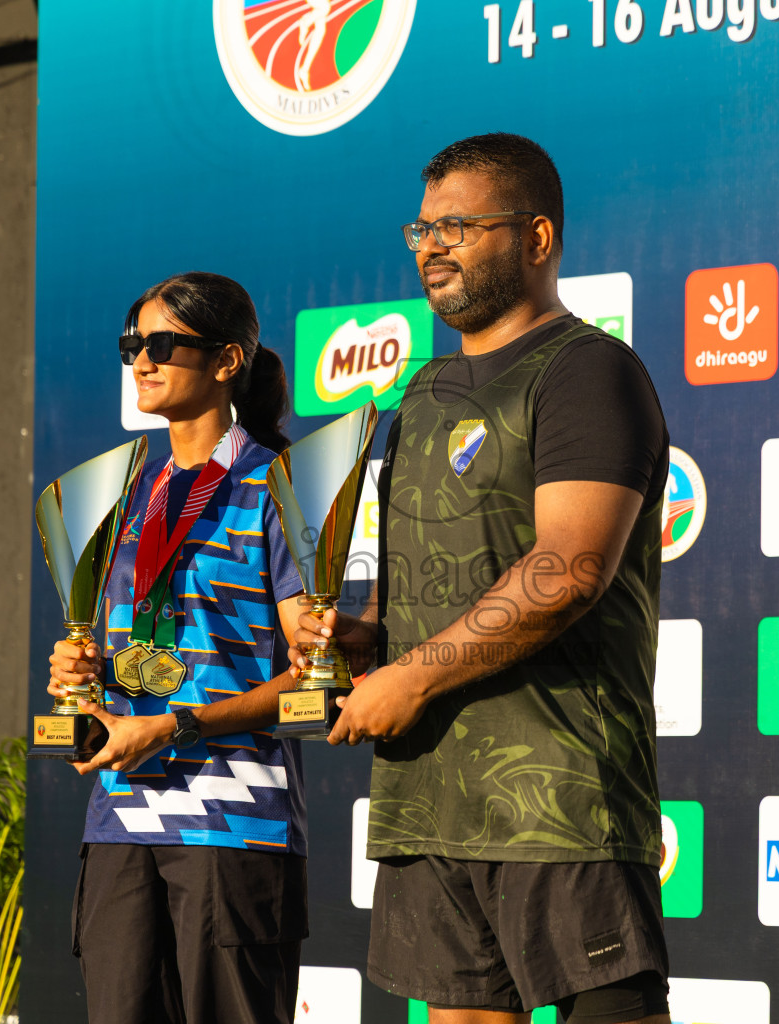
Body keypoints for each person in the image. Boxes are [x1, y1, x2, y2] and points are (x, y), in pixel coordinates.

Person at [291, 134, 672, 1024]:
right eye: (422, 229)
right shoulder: (423, 393)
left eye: (458, 227)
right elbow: (422, 586)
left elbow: (569, 568)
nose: (432, 247)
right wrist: (363, 640)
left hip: (561, 793)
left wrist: (413, 677)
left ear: (537, 237)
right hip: (428, 794)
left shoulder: (586, 370)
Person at [47, 272, 309, 1024]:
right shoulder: (124, 490)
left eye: (162, 344)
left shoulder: (279, 485)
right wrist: (81, 674)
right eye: (133, 344)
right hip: (120, 819)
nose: (142, 361)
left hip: (234, 824)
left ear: (227, 360)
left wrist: (177, 726)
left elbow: (314, 678)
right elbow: (136, 651)